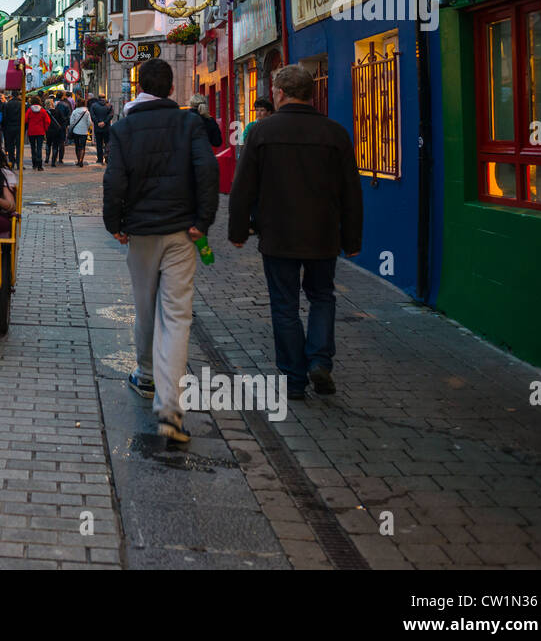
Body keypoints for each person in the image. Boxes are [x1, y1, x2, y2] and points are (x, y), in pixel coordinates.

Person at [228, 65, 362, 400]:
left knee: (284, 304)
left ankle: (294, 377)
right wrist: (353, 238)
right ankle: (319, 359)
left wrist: (238, 229)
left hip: (278, 233)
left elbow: (243, 187)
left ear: (280, 93)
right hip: (323, 233)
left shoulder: (261, 132)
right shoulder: (335, 133)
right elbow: (351, 191)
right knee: (322, 296)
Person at [104, 58, 218, 447]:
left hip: (142, 232)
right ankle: (170, 406)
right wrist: (203, 221)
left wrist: (114, 223)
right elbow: (207, 172)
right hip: (182, 231)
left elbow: (115, 179)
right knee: (177, 315)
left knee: (145, 305)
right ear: (172, 89)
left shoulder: (123, 129)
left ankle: (146, 374)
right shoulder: (190, 124)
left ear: (138, 86)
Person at [25, 94, 51, 171]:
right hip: (40, 131)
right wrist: (45, 129)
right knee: (39, 148)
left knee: (33, 148)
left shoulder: (29, 110)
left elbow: (25, 120)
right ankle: (40, 165)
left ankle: (34, 164)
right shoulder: (43, 111)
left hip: (31, 131)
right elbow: (47, 121)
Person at [48, 92, 72, 166]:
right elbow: (69, 115)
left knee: (52, 143)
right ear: (62, 96)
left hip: (52, 126)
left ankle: (51, 159)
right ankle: (60, 159)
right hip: (62, 126)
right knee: (61, 142)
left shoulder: (52, 103)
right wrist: (66, 124)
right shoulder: (65, 104)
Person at [89, 94, 113, 165]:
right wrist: (105, 122)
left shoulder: (94, 105)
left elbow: (92, 115)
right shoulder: (109, 105)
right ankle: (107, 158)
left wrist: (97, 122)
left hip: (97, 127)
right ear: (105, 98)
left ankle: (100, 159)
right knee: (107, 143)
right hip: (106, 127)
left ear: (98, 98)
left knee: (99, 144)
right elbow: (111, 115)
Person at [0, 92, 21, 169]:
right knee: (19, 146)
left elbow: (4, 116)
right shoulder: (21, 104)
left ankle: (11, 162)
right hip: (19, 127)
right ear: (18, 95)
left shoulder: (7, 104)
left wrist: (4, 127)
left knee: (10, 146)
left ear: (11, 96)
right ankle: (19, 164)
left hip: (9, 127)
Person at [68, 99, 92, 167]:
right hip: (84, 131)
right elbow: (89, 122)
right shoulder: (87, 112)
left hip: (76, 130)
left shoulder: (75, 111)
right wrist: (87, 127)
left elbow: (72, 122)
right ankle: (81, 160)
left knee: (77, 146)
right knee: (82, 146)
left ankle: (78, 160)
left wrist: (71, 128)